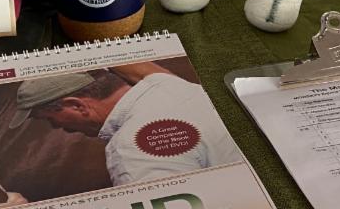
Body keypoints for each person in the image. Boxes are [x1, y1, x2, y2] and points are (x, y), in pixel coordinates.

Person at [12, 69, 243, 186]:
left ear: (76, 106)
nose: (57, 127)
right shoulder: (169, 84)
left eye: (50, 119)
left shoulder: (130, 150)